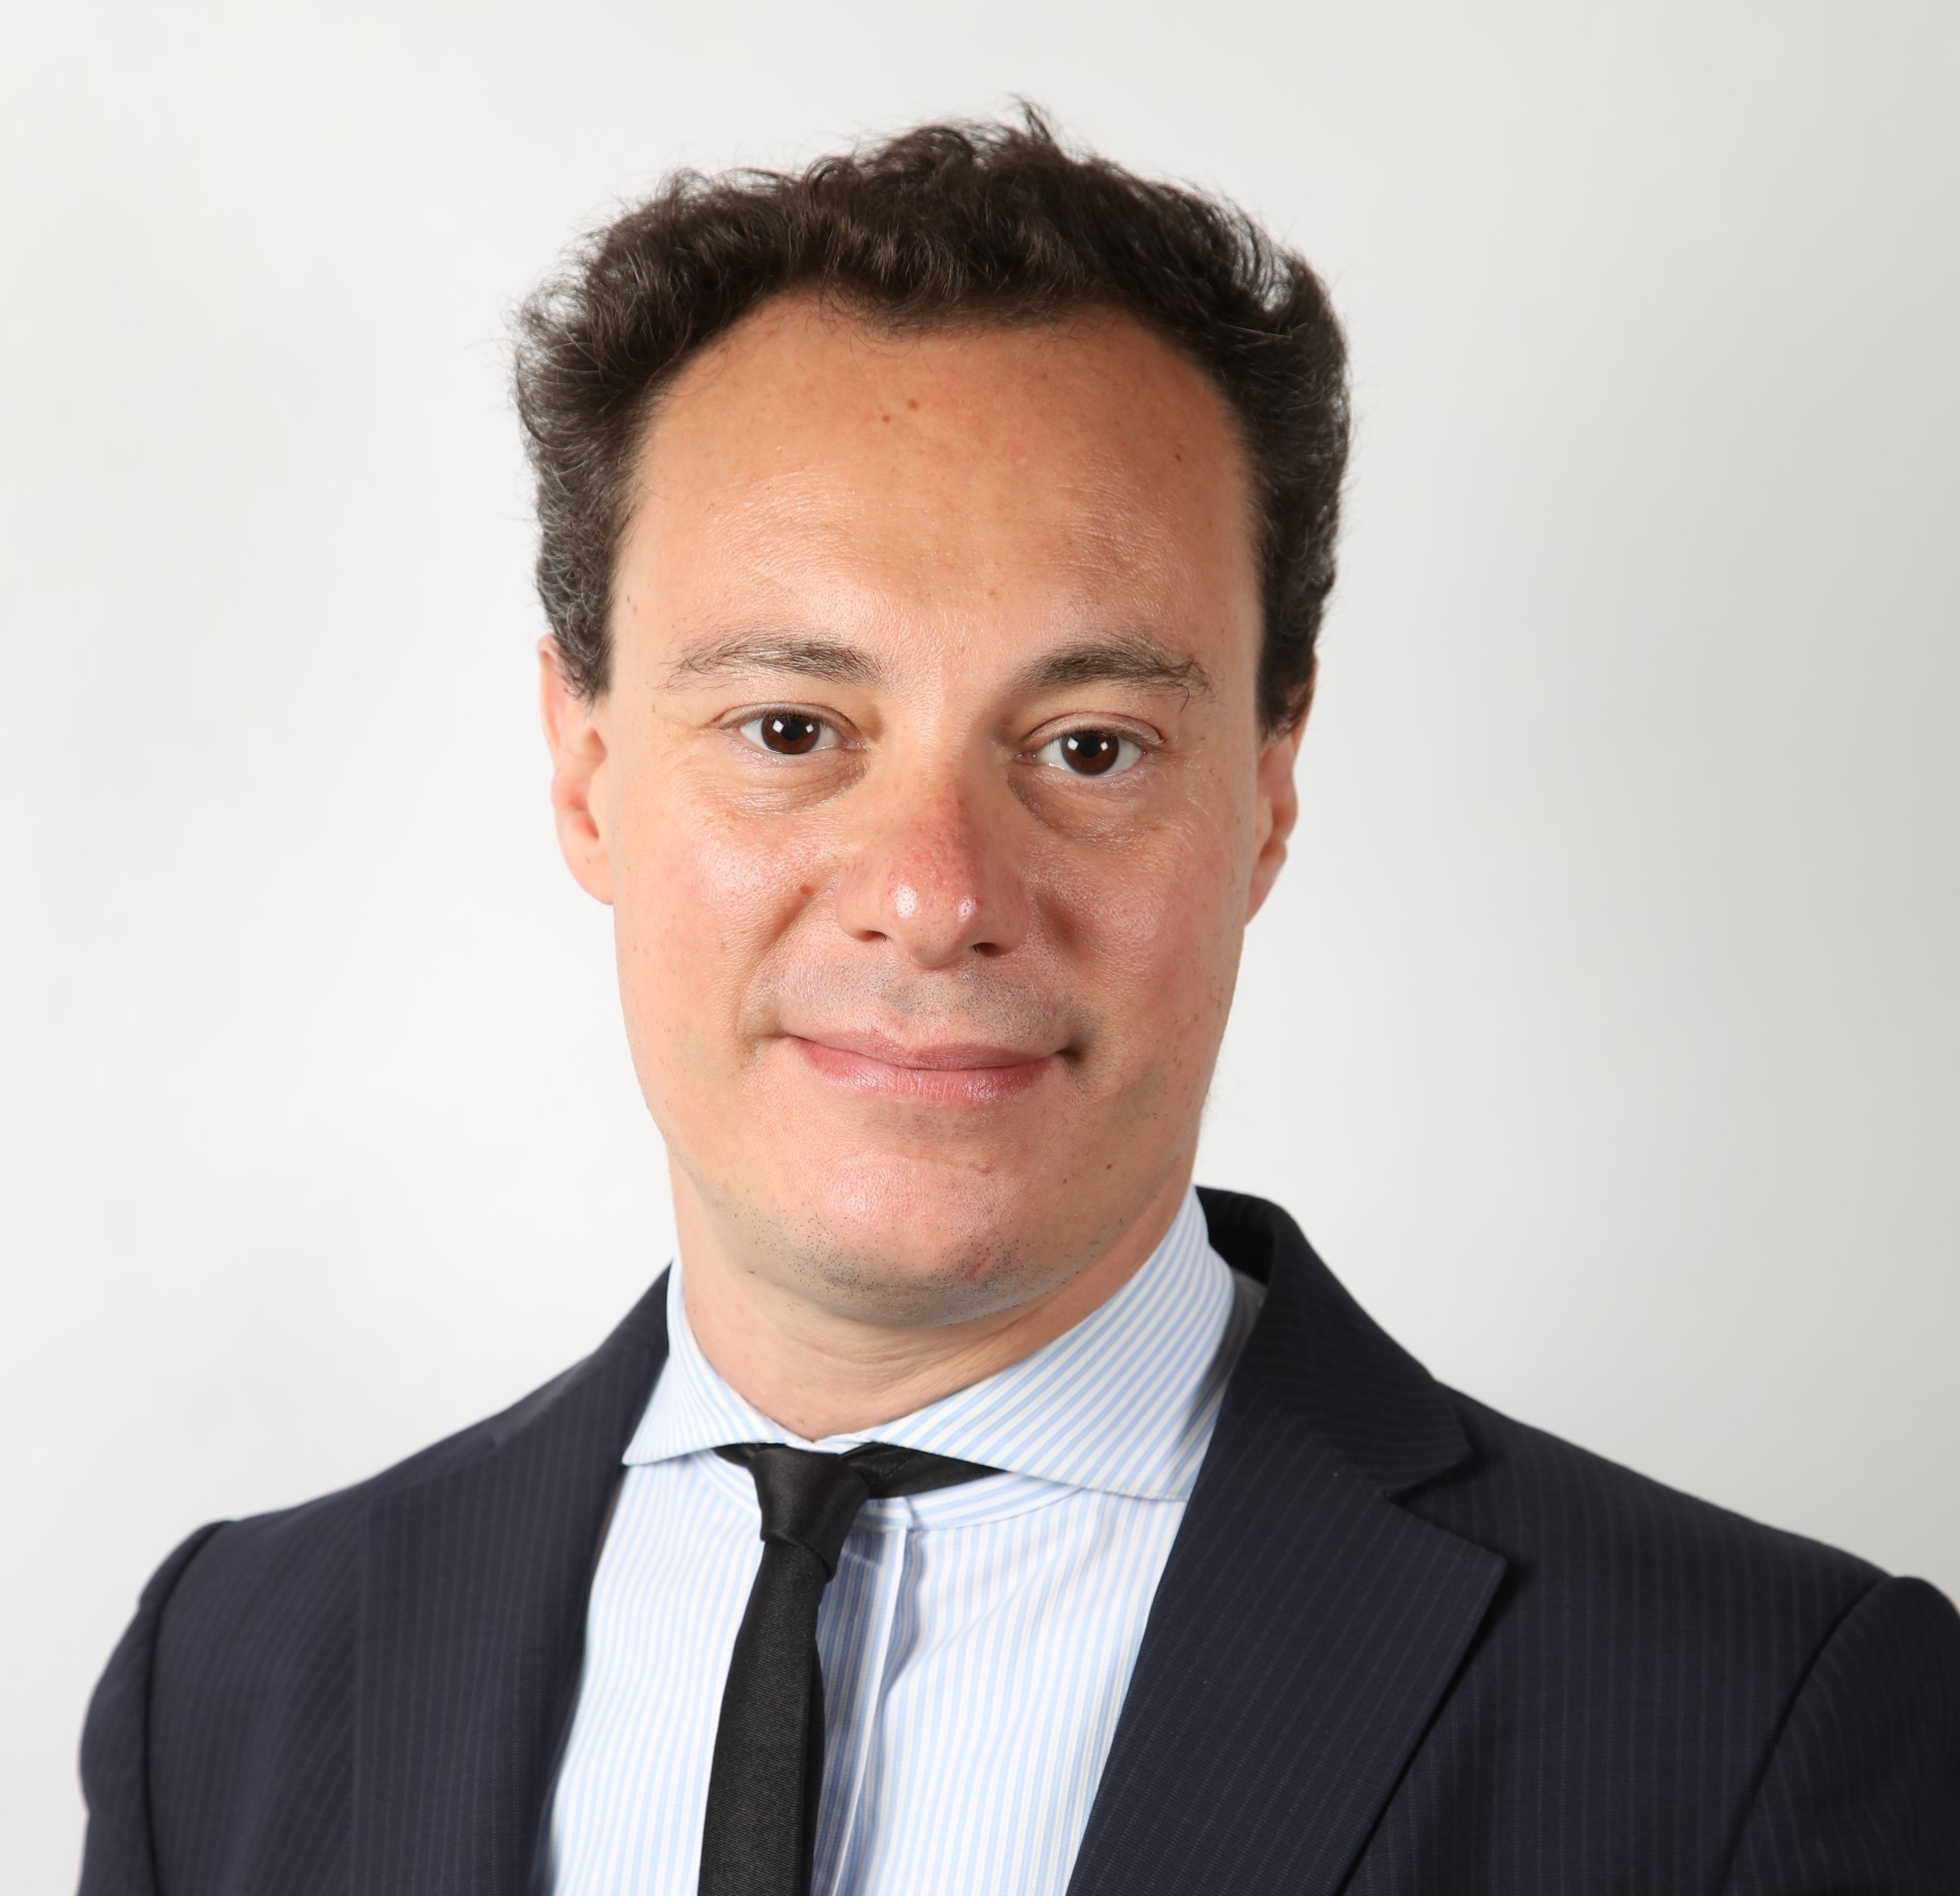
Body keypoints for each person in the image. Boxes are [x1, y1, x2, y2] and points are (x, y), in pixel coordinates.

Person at [78, 114, 1958, 1896]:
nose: (934, 895)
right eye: (790, 728)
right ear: (585, 769)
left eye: (1088, 743)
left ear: (1267, 790)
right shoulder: (225, 1684)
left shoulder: (1756, 1722)